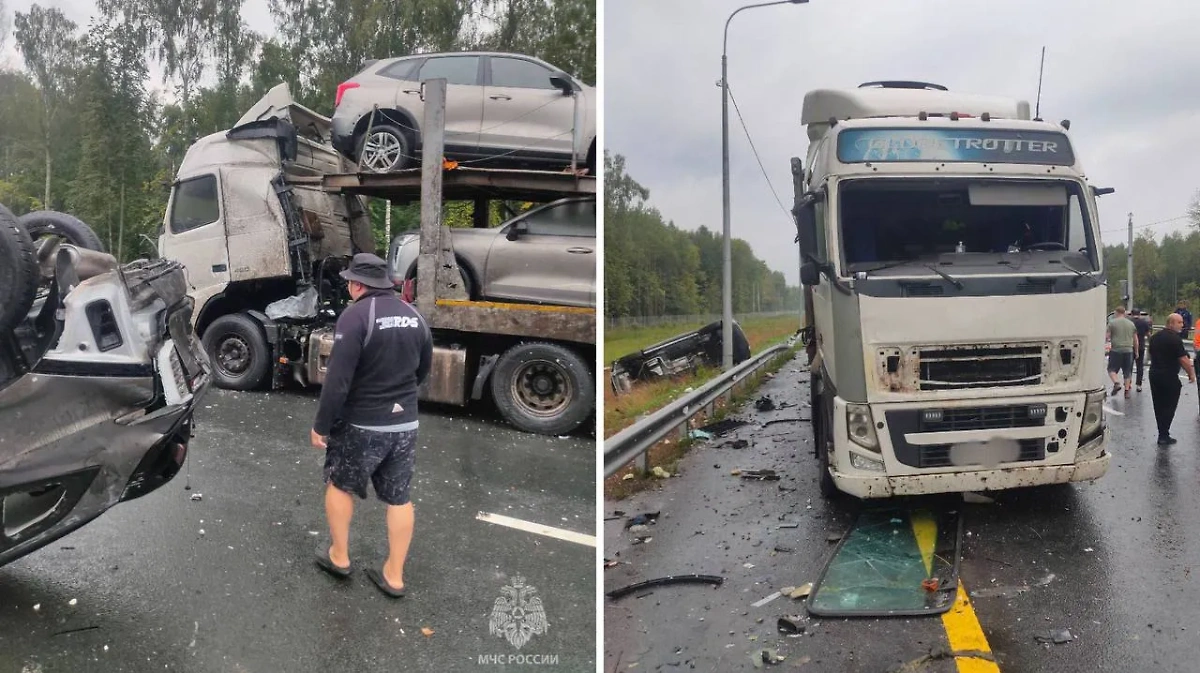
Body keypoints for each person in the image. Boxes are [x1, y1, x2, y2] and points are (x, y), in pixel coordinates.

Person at [310, 253, 432, 598]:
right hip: (404, 425)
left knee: (340, 484)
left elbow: (337, 381)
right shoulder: (414, 316)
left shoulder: (356, 316)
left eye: (349, 281)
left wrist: (322, 425)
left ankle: (339, 556)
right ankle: (394, 576)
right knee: (399, 498)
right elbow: (423, 370)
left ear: (357, 284)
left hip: (362, 424)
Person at [1148, 313, 1196, 446]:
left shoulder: (1155, 337)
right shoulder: (1175, 339)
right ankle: (1164, 434)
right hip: (1169, 375)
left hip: (1154, 374)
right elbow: (1183, 359)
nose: (1182, 325)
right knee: (1169, 405)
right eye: (1179, 322)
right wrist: (1191, 374)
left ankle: (1162, 433)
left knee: (1158, 405)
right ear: (1171, 323)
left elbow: (1150, 354)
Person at [1105, 306, 1139, 398]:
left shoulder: (1112, 323)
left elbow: (1107, 337)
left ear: (1116, 313)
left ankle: (1116, 383)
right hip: (1128, 350)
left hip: (1116, 349)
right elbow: (1135, 339)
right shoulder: (1131, 324)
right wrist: (1136, 351)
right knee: (1127, 371)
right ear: (1124, 313)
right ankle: (1127, 391)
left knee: (1111, 369)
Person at [1132, 310, 1153, 392]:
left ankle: (1128, 383)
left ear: (1132, 314)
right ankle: (1138, 385)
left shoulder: (1130, 322)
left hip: (1130, 346)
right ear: (1139, 314)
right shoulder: (1144, 323)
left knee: (1128, 366)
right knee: (1139, 366)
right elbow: (1148, 334)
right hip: (1141, 346)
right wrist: (1151, 342)